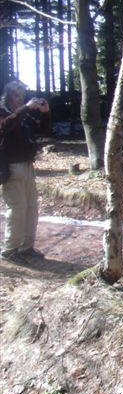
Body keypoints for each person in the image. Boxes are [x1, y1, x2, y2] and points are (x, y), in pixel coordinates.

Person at [0, 81, 50, 264]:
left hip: (28, 166)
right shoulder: (3, 112)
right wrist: (25, 108)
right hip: (11, 168)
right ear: (8, 96)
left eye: (22, 96)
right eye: (16, 95)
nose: (19, 99)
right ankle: (10, 250)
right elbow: (5, 127)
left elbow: (44, 130)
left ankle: (26, 247)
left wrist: (45, 113)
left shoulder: (23, 114)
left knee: (31, 208)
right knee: (17, 209)